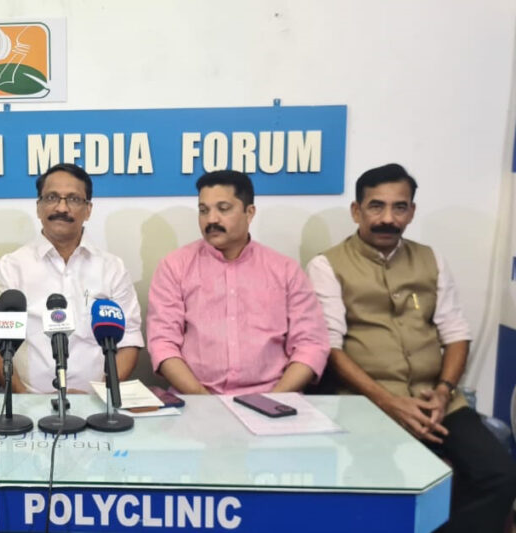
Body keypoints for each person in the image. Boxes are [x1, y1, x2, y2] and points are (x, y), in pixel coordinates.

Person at [306, 163, 516, 532]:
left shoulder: (431, 260)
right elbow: (331, 349)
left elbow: (456, 333)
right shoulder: (327, 265)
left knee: (498, 475)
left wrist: (443, 392)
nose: (388, 218)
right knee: (385, 488)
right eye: (376, 206)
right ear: (356, 211)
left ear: (412, 212)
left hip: (437, 402)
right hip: (367, 404)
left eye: (399, 207)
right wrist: (390, 403)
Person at [148, 170, 328, 395]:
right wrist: (205, 402)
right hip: (195, 399)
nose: (211, 219)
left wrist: (273, 402)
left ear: (249, 212)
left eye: (223, 209)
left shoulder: (285, 270)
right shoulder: (175, 267)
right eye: (204, 210)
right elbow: (163, 344)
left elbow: (310, 345)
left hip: (275, 398)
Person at [0, 163, 143, 394]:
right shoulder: (11, 268)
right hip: (27, 402)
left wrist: (98, 394)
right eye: (51, 197)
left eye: (73, 199)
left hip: (97, 402)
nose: (61, 207)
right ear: (39, 207)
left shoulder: (112, 269)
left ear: (88, 209)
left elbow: (129, 342)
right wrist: (26, 399)